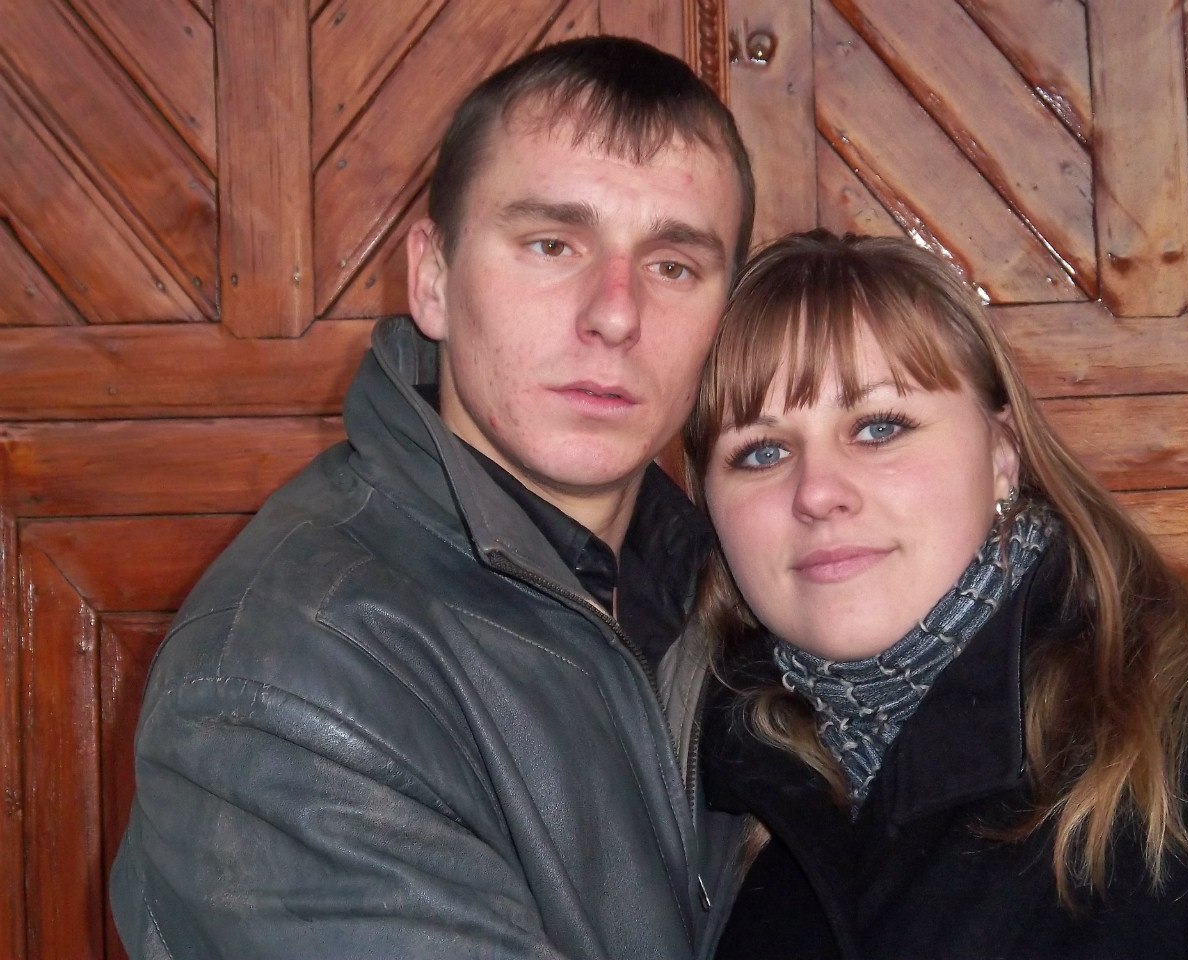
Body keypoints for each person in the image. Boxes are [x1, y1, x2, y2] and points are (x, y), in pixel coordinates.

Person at [110, 36, 754, 959]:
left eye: (674, 266)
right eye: (551, 244)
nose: (616, 313)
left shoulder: (738, 588)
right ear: (433, 279)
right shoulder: (282, 677)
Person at [671, 229, 1188, 958]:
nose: (818, 492)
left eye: (879, 427)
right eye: (761, 452)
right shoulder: (695, 798)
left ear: (1002, 453)